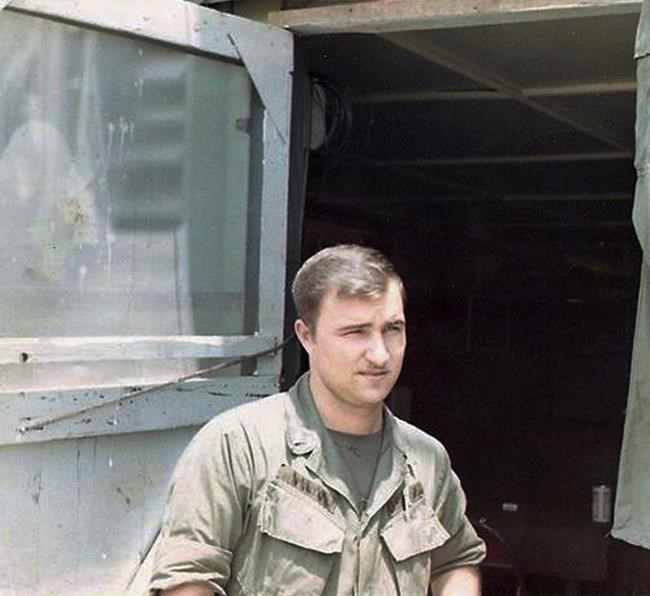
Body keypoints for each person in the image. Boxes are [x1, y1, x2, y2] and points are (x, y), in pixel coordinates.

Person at [149, 244, 485, 595]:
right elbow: (188, 580)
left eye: (392, 329)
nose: (380, 354)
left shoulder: (426, 460)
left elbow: (456, 560)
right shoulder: (239, 446)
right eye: (355, 332)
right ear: (306, 336)